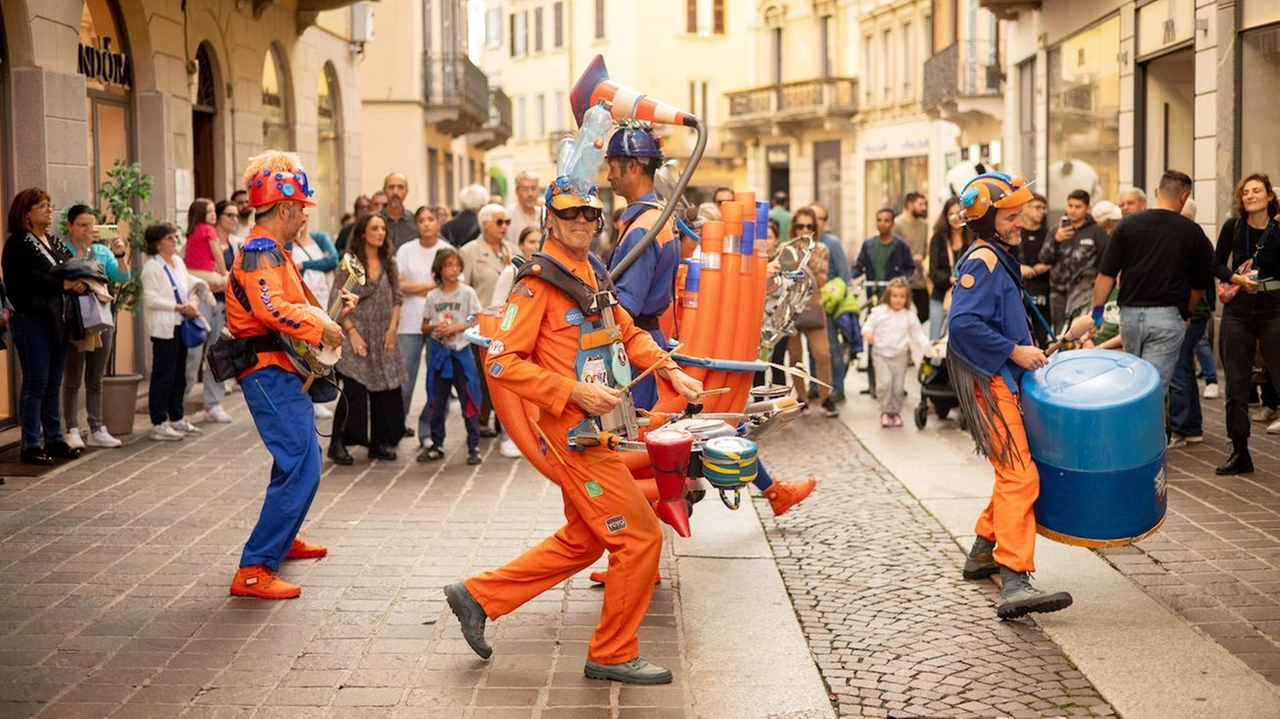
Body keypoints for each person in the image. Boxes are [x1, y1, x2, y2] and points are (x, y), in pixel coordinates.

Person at [442, 173, 703, 686]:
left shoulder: (591, 269)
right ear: (549, 219)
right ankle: (611, 651)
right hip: (573, 434)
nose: (581, 222)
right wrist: (573, 391)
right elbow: (500, 363)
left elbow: (626, 331)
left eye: (590, 214)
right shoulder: (537, 281)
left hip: (600, 428)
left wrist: (671, 369)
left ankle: (477, 596)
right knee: (639, 536)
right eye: (569, 214)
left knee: (585, 541)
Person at [227, 150, 356, 600]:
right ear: (283, 208)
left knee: (297, 463)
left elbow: (295, 303)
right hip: (267, 371)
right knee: (302, 464)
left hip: (279, 367)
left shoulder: (273, 250)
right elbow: (272, 308)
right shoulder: (261, 250)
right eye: (300, 207)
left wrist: (329, 315)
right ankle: (254, 567)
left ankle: (283, 538)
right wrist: (322, 325)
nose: (303, 216)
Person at [948, 172, 1073, 619]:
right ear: (989, 219)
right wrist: (1015, 351)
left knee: (1011, 474)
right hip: (990, 382)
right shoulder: (984, 259)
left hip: (997, 379)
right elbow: (962, 325)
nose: (1020, 221)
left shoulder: (994, 255)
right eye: (1012, 215)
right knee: (1021, 477)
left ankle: (984, 550)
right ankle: (1014, 580)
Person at [1092, 170, 1213, 400]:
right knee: (1153, 389)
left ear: (1157, 192)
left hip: (1128, 316)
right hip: (1166, 318)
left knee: (1131, 382)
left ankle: (1127, 434)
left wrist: (1097, 312)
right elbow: (1199, 286)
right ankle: (1152, 435)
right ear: (1184, 196)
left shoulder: (1127, 225)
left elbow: (1105, 275)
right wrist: (1184, 313)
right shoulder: (1192, 232)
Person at [2, 188, 87, 465]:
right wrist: (62, 284)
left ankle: (54, 438)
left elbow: (69, 267)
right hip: (32, 320)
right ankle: (29, 444)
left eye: (49, 206)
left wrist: (77, 282)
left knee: (53, 383)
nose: (49, 211)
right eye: (42, 206)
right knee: (35, 382)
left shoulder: (53, 240)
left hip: (58, 319)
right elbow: (28, 280)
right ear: (26, 212)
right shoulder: (17, 243)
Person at [604, 124, 681, 410]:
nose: (609, 176)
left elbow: (626, 306)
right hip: (649, 340)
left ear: (632, 166)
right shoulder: (656, 218)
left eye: (613, 167)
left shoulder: (643, 229)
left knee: (634, 435)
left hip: (635, 347)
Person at [1210, 173, 1280, 474]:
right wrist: (1235, 278)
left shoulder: (1278, 229)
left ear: (1269, 196)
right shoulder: (1233, 227)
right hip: (1238, 310)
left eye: (1256, 191)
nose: (1250, 196)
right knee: (1236, 382)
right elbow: (1214, 263)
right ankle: (1239, 450)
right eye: (1245, 192)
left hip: (1273, 309)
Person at [328, 213, 408, 464]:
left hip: (383, 334)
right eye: (375, 228)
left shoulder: (389, 262)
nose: (380, 233)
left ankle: (380, 443)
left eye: (383, 228)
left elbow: (397, 297)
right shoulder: (349, 264)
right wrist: (351, 333)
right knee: (354, 387)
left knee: (384, 387)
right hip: (357, 334)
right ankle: (338, 442)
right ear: (363, 232)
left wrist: (392, 329)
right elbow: (336, 299)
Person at [62, 205, 130, 449]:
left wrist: (120, 255)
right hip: (76, 321)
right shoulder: (62, 248)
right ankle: (70, 428)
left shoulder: (102, 250)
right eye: (82, 225)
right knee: (73, 377)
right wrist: (81, 251)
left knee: (95, 378)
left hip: (101, 319)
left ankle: (97, 427)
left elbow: (123, 278)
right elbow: (67, 273)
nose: (88, 230)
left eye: (92, 225)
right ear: (70, 226)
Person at [417, 247, 483, 465]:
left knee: (469, 399)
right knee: (436, 400)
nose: (453, 269)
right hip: (439, 354)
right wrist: (437, 326)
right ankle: (437, 444)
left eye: (456, 265)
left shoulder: (467, 293)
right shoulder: (433, 296)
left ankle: (474, 445)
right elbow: (424, 325)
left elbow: (477, 319)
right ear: (439, 268)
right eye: (448, 265)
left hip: (461, 352)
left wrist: (455, 328)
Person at [141, 222, 204, 442]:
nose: (174, 241)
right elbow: (150, 298)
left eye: (175, 237)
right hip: (164, 327)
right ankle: (159, 422)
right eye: (169, 238)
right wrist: (177, 307)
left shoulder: (177, 262)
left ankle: (177, 416)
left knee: (180, 374)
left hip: (181, 324)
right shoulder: (152, 267)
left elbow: (188, 286)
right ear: (158, 243)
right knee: (163, 375)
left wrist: (193, 302)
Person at [396, 205, 451, 446]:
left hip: (439, 323)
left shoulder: (446, 250)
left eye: (431, 219)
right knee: (404, 381)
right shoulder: (406, 250)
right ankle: (397, 426)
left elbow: (450, 286)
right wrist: (432, 285)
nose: (426, 224)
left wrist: (416, 286)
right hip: (409, 323)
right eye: (422, 220)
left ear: (438, 222)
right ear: (416, 225)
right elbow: (400, 285)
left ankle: (427, 431)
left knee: (436, 381)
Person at [1168, 196, 1216, 448]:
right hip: (1191, 312)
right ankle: (1192, 426)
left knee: (1179, 368)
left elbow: (1200, 278)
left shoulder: (1191, 237)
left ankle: (1182, 427)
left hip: (1191, 314)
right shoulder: (1192, 236)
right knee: (1183, 366)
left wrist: (1186, 312)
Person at [184, 200, 237, 424]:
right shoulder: (198, 237)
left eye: (236, 215)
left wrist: (225, 282)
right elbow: (186, 270)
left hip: (223, 305)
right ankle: (178, 403)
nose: (234, 219)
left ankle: (212, 405)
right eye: (229, 215)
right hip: (201, 302)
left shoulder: (236, 244)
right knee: (193, 354)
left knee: (216, 355)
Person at [862, 277, 936, 427]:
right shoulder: (879, 312)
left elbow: (917, 334)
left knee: (897, 387)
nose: (898, 300)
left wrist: (927, 346)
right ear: (888, 296)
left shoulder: (909, 316)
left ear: (907, 298)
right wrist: (868, 332)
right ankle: (885, 411)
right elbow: (868, 325)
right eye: (894, 296)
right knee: (885, 384)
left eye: (902, 297)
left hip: (900, 355)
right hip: (881, 354)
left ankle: (895, 412)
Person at [286, 218, 340, 420]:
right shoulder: (288, 242)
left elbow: (333, 260)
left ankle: (318, 397)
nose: (301, 220)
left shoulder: (319, 237)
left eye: (305, 216)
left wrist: (306, 264)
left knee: (322, 349)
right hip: (302, 303)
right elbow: (291, 267)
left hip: (323, 298)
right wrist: (320, 263)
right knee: (306, 351)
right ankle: (307, 394)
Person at [785, 208, 837, 417]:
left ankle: (826, 397)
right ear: (794, 228)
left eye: (809, 226)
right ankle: (802, 397)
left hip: (814, 305)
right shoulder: (787, 248)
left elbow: (821, 279)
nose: (805, 230)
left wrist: (806, 257)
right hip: (792, 308)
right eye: (800, 226)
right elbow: (785, 277)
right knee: (795, 355)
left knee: (822, 353)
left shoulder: (822, 249)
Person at [1040, 189, 1108, 331]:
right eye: (1070, 206)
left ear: (1087, 208)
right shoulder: (1056, 230)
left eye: (1078, 207)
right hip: (1058, 291)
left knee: (1079, 331)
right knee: (1058, 331)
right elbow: (1044, 258)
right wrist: (1056, 240)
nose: (1073, 210)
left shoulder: (1096, 231)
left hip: (1084, 291)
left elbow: (1104, 261)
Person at [811, 202, 851, 402]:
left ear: (825, 222)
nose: (814, 222)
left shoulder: (832, 243)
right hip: (810, 302)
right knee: (813, 349)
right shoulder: (804, 242)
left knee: (832, 347)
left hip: (829, 301)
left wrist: (835, 297)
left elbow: (844, 275)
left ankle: (837, 387)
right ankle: (814, 385)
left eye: (819, 218)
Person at [926, 197, 973, 341]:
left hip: (966, 297)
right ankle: (934, 363)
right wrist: (949, 279)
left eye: (959, 213)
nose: (955, 217)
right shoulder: (938, 239)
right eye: (951, 214)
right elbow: (933, 271)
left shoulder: (973, 238)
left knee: (961, 339)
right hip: (941, 295)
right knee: (935, 338)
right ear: (945, 217)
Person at [1014, 193, 1052, 348]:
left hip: (1043, 290)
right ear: (1026, 209)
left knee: (1042, 336)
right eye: (1037, 207)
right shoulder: (1015, 233)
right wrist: (1020, 268)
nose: (1041, 211)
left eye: (1044, 208)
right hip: (1020, 289)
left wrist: (1048, 266)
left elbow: (1061, 259)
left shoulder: (1048, 234)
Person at [853, 208, 916, 298]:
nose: (882, 223)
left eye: (886, 220)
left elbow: (910, 269)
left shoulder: (901, 245)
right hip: (873, 295)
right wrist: (850, 278)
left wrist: (902, 281)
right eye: (879, 220)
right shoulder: (868, 245)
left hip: (894, 296)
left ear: (892, 223)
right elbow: (859, 265)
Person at [893, 192, 930, 323]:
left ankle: (910, 333)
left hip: (919, 277)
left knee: (925, 312)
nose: (924, 207)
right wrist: (910, 258)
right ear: (909, 205)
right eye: (920, 204)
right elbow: (893, 250)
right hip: (902, 277)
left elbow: (925, 248)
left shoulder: (924, 226)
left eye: (924, 204)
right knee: (900, 312)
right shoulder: (897, 224)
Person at [379, 172, 417, 249]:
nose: (395, 192)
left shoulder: (416, 222)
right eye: (391, 187)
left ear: (406, 191)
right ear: (384, 191)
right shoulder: (370, 222)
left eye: (400, 187)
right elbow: (349, 255)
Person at [506, 171, 544, 244]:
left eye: (533, 188)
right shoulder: (508, 216)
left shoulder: (544, 215)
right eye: (525, 189)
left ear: (539, 190)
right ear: (517, 191)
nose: (530, 194)